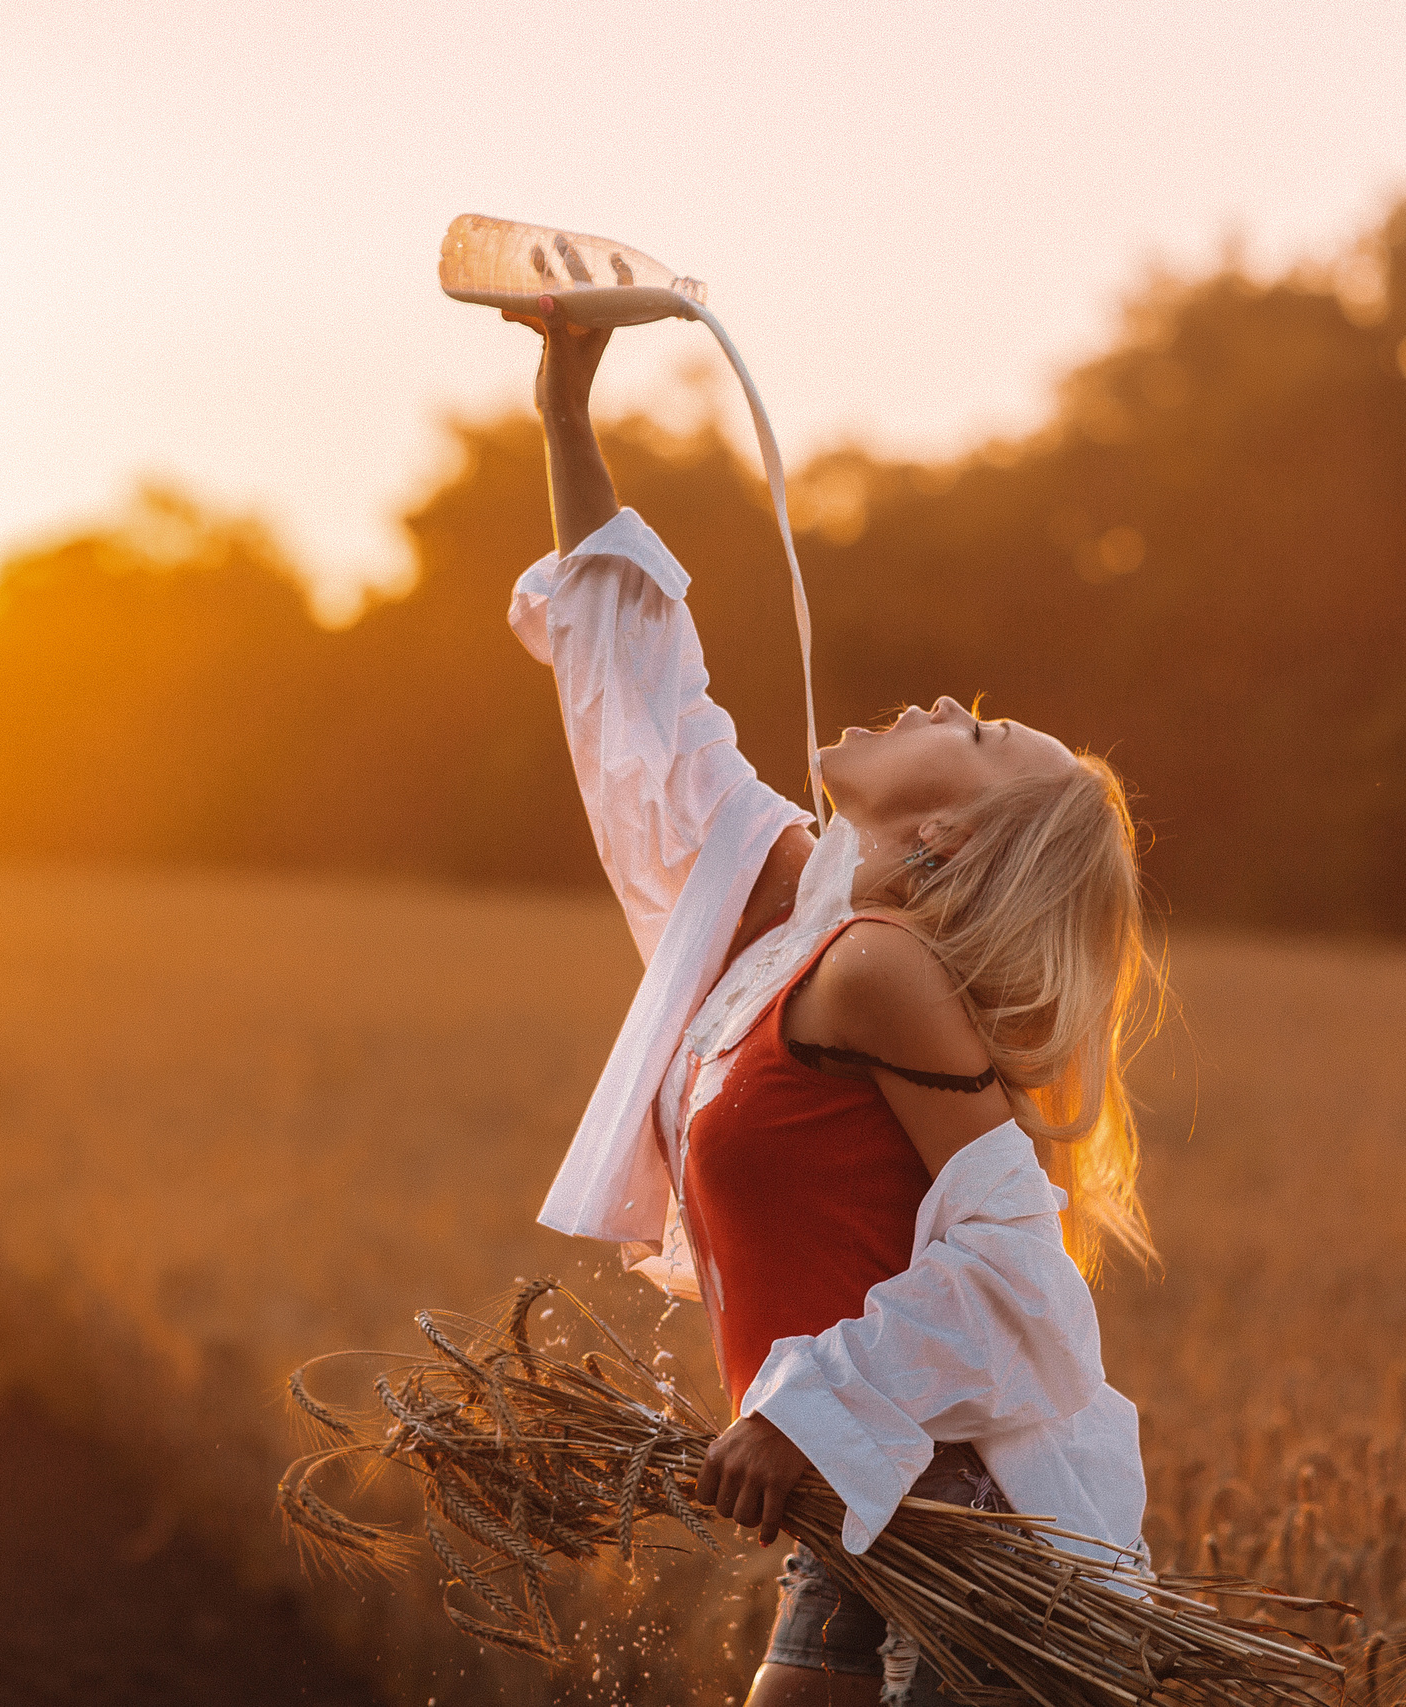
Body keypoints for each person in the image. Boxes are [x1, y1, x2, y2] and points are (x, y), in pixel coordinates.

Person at [504, 302, 1158, 1707]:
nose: (939, 700)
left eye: (976, 733)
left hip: (978, 1519)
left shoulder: (877, 968)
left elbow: (1022, 1282)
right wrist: (566, 407)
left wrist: (801, 1421)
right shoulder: (792, 912)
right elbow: (643, 712)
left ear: (950, 848)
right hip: (874, 1508)